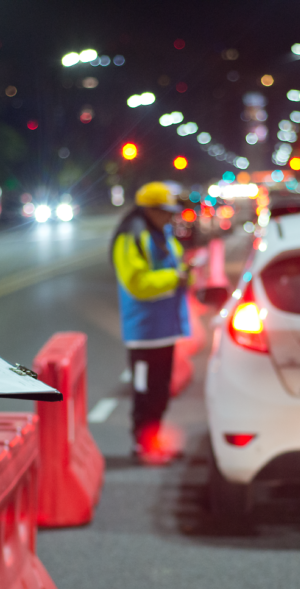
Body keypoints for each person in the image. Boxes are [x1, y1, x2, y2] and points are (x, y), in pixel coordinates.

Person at [110, 182, 190, 465]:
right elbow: (136, 283)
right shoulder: (131, 237)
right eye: (165, 212)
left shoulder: (160, 233)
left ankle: (154, 442)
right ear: (149, 210)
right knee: (145, 394)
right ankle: (141, 445)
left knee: (159, 393)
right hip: (144, 331)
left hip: (165, 329)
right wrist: (175, 278)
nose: (170, 217)